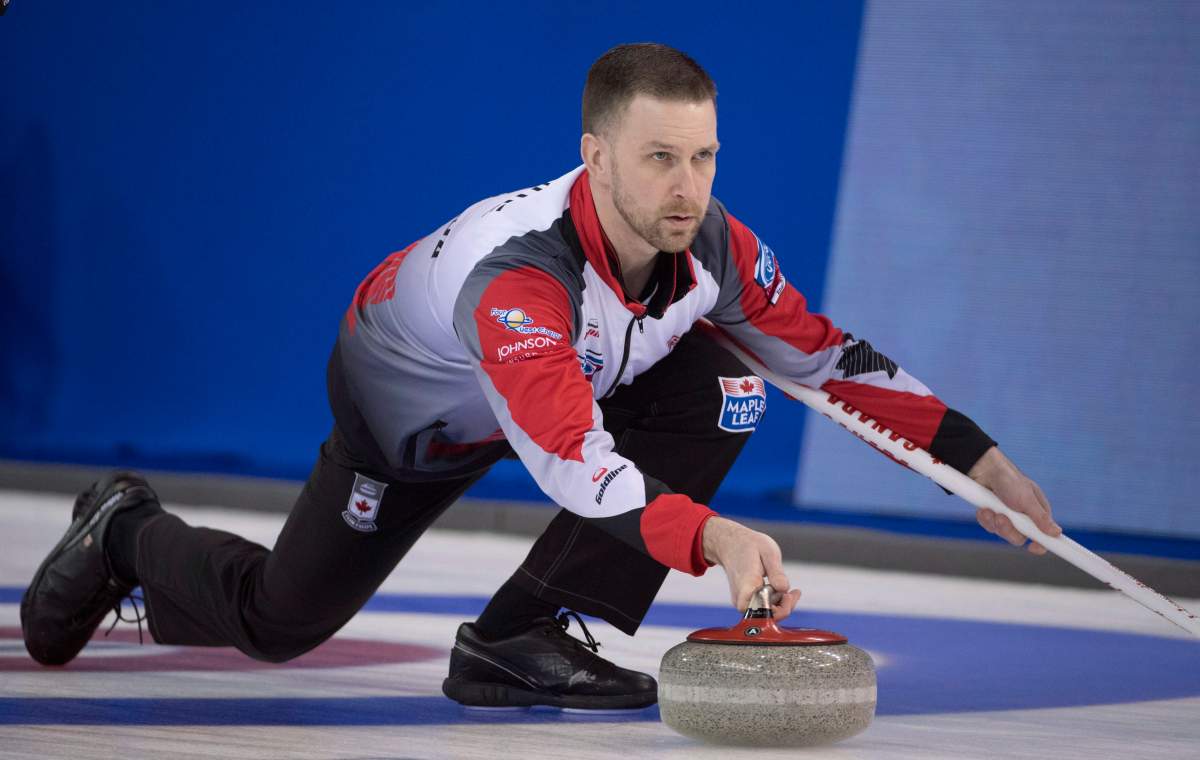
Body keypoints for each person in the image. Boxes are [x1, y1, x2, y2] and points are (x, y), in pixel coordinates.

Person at [21, 43, 1061, 710]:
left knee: (732, 376)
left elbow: (828, 360)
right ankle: (121, 529)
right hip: (413, 423)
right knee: (279, 623)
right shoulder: (520, 279)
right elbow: (573, 465)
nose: (688, 187)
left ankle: (519, 635)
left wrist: (974, 462)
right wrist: (719, 537)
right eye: (659, 159)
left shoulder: (717, 248)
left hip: (570, 386)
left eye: (703, 158)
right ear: (594, 157)